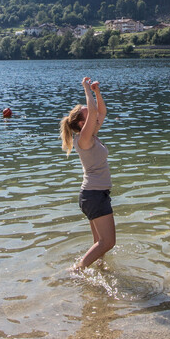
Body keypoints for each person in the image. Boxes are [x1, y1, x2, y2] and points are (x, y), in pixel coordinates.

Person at [60, 77, 113, 271]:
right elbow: (92, 111)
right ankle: (77, 269)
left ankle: (99, 270)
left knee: (99, 241)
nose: (94, 117)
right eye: (88, 116)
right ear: (83, 123)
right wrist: (85, 88)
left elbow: (100, 111)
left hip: (95, 195)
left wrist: (97, 91)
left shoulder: (91, 135)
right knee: (108, 242)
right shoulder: (83, 139)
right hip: (94, 195)